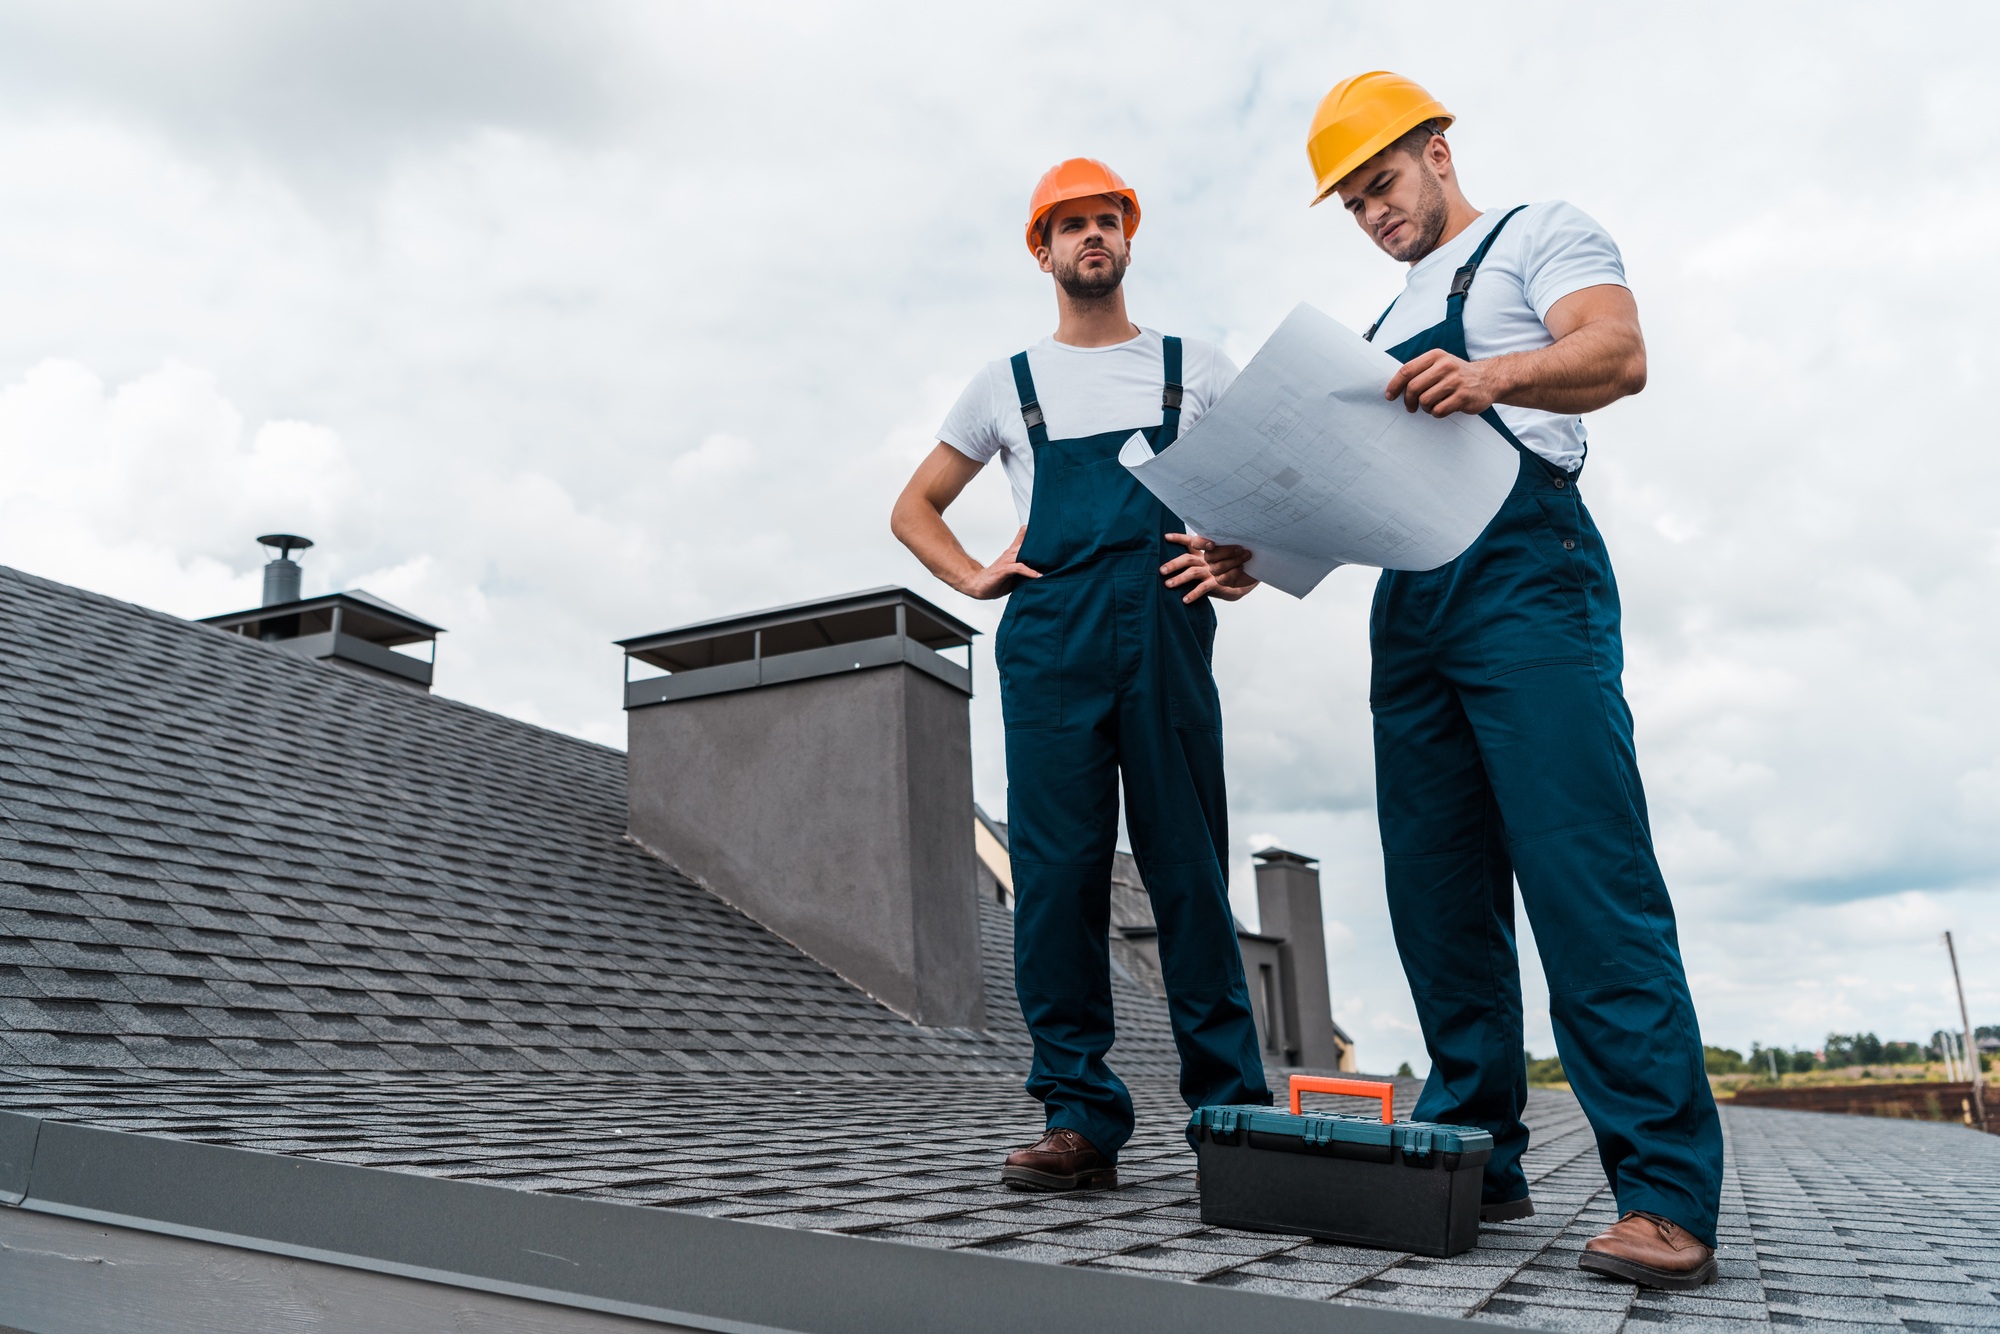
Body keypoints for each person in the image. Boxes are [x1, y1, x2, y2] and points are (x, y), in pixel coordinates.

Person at [1297, 72, 1726, 1289]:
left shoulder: (1538, 234)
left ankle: (1658, 1189)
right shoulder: (1375, 333)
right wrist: (1248, 549)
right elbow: (1342, 490)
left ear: (1435, 149)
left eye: (1382, 184)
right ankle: (1476, 1156)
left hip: (1524, 574)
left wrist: (1491, 376)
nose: (1375, 216)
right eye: (1353, 206)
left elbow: (1615, 351)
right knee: (1436, 893)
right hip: (1410, 603)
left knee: (1583, 873)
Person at [890, 158, 1270, 1192]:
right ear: (1042, 249)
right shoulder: (1004, 385)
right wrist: (971, 572)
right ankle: (1078, 1114)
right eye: (1071, 225)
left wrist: (1240, 562)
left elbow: (1274, 498)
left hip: (1163, 626)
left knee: (1188, 869)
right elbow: (912, 506)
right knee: (1055, 878)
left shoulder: (1197, 369)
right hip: (1050, 637)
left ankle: (1229, 1110)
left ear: (1126, 240)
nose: (1090, 235)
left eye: (1106, 220)